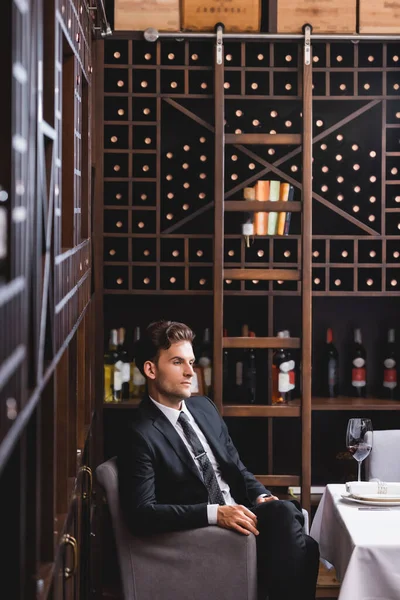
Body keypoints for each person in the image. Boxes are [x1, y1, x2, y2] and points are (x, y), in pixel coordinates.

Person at [118, 320, 319, 600]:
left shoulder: (204, 407)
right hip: (205, 531)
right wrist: (215, 513)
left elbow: (236, 469)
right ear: (150, 369)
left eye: (191, 361)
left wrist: (261, 496)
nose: (190, 372)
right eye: (177, 362)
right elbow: (141, 514)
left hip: (242, 513)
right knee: (295, 529)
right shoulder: (138, 434)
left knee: (299, 535)